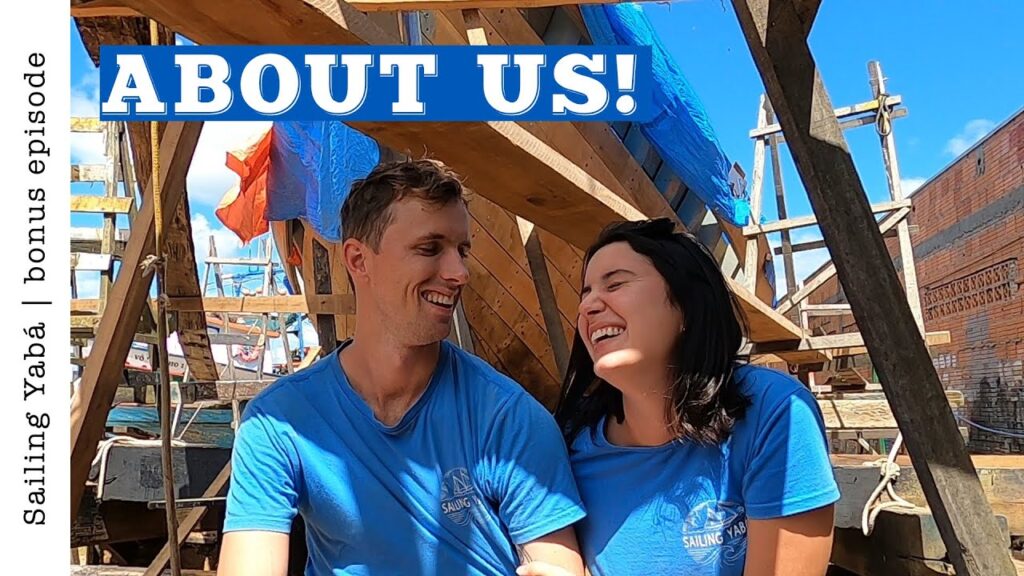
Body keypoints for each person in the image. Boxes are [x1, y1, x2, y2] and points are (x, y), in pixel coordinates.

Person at [218, 159, 587, 576]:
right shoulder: (279, 423)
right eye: (430, 248)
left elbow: (556, 565)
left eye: (462, 251)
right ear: (358, 260)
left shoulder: (509, 418)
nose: (460, 273)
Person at [520, 218, 840, 576]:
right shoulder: (569, 444)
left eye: (616, 283)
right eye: (585, 293)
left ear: (687, 302)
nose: (587, 306)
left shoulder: (774, 411)